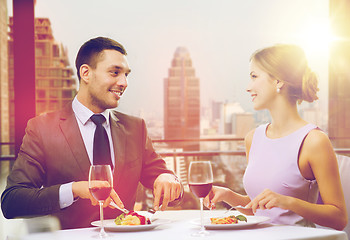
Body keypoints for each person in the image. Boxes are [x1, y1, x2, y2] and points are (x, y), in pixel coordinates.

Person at [1, 37, 182, 229]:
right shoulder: (42, 129)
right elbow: (12, 202)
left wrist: (168, 178)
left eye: (126, 75)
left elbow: (162, 177)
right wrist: (75, 189)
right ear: (86, 73)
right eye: (115, 72)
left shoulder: (135, 128)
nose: (124, 82)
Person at [205, 44, 348, 230]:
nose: (248, 87)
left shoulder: (313, 141)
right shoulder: (253, 138)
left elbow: (339, 218)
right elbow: (261, 209)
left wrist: (289, 202)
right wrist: (228, 195)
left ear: (278, 81)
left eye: (254, 77)